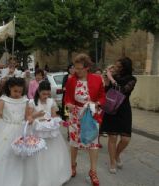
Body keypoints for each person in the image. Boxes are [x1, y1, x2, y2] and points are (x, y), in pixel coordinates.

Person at [64, 53, 105, 186]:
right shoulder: (71, 80)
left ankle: (93, 171)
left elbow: (102, 96)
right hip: (75, 114)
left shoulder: (97, 79)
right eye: (75, 68)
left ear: (87, 67)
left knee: (93, 143)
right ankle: (73, 165)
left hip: (91, 114)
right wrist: (68, 104)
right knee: (74, 142)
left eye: (80, 68)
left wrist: (97, 103)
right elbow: (67, 97)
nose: (77, 71)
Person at [27, 80, 71, 185]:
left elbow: (54, 116)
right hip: (37, 131)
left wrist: (58, 121)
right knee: (39, 155)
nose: (46, 96)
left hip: (49, 130)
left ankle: (54, 176)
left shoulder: (51, 101)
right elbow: (28, 118)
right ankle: (39, 178)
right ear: (38, 91)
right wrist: (35, 115)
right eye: (43, 94)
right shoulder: (32, 102)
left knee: (53, 154)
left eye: (48, 93)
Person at [101, 57, 137, 174]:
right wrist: (106, 77)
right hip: (112, 109)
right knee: (113, 137)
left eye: (117, 66)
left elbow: (122, 90)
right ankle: (112, 161)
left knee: (126, 139)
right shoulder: (113, 77)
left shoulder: (132, 79)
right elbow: (106, 91)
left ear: (124, 68)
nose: (115, 67)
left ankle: (116, 155)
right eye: (115, 65)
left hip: (124, 110)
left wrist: (111, 78)